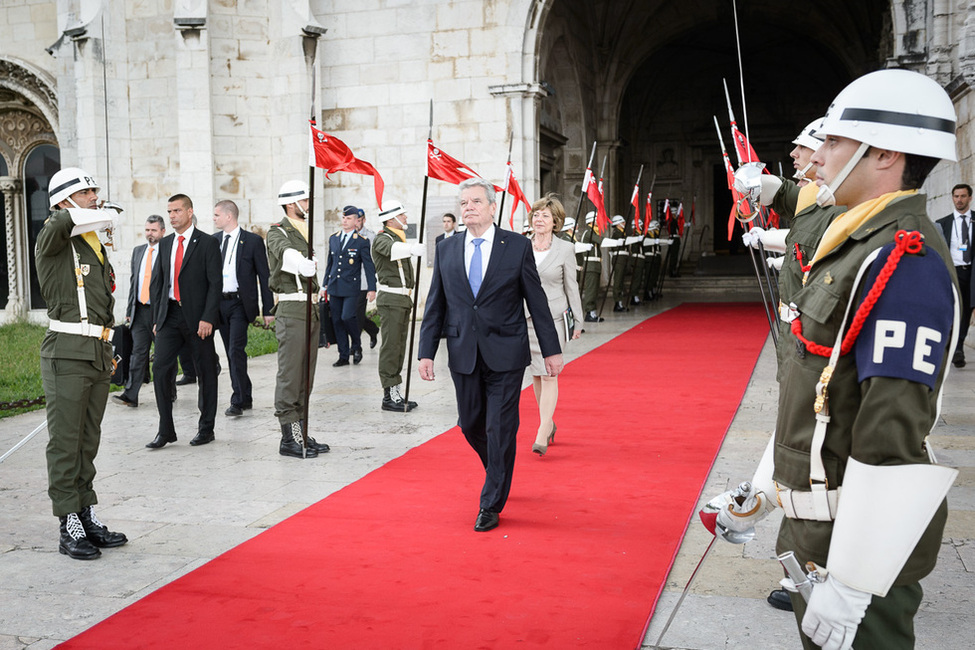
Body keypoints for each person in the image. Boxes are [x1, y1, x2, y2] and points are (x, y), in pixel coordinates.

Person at [705, 69, 961, 650]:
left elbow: (891, 435)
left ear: (886, 153)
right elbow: (820, 392)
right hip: (819, 525)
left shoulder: (902, 257)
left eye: (837, 143)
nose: (819, 158)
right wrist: (765, 489)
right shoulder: (856, 241)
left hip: (856, 543)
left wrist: (855, 578)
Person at [418, 178, 564, 533]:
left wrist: (551, 349)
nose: (468, 207)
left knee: (500, 427)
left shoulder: (515, 246)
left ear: (491, 207)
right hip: (463, 351)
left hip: (506, 352)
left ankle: (491, 502)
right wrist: (425, 352)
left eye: (475, 202)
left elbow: (536, 299)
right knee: (470, 424)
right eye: (463, 202)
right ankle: (498, 468)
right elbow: (436, 302)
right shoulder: (448, 248)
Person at [37, 166, 127, 559]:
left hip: (96, 351)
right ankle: (67, 522)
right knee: (65, 443)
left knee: (87, 441)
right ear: (64, 199)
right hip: (67, 351)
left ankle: (86, 512)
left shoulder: (91, 241)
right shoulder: (53, 236)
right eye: (86, 191)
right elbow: (63, 218)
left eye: (95, 189)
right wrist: (95, 210)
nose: (95, 197)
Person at [145, 194, 222, 449]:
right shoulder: (165, 244)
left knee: (206, 372)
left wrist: (208, 317)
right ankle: (165, 429)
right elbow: (158, 283)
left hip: (198, 319)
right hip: (169, 316)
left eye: (177, 210)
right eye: (169, 211)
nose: (172, 215)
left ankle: (206, 428)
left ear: (190, 212)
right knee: (160, 370)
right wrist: (157, 318)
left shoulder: (208, 243)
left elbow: (215, 285)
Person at [266, 180, 330, 458]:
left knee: (306, 376)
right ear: (292, 204)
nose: (308, 205)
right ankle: (288, 437)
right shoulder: (277, 230)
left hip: (311, 309)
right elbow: (283, 251)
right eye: (305, 201)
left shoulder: (305, 230)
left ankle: (301, 432)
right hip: (292, 310)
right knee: (291, 375)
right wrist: (298, 262)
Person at [524, 195, 583, 455]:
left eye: (545, 215)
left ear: (555, 222)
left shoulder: (565, 249)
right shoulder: (521, 246)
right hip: (525, 319)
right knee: (536, 373)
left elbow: (572, 286)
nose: (539, 219)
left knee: (550, 373)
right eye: (536, 214)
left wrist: (578, 320)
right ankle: (549, 422)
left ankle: (542, 430)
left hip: (554, 319)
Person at [213, 199, 274, 416]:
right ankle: (245, 394)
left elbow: (264, 275)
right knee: (232, 354)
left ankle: (237, 400)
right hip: (219, 304)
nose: (214, 219)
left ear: (229, 216)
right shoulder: (214, 240)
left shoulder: (252, 241)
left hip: (240, 303)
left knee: (235, 350)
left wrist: (268, 310)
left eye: (217, 215)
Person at [371, 201, 424, 411]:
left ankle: (396, 392)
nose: (406, 218)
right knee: (391, 348)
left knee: (399, 348)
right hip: (391, 299)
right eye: (402, 215)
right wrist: (411, 248)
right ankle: (389, 395)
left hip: (402, 300)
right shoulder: (383, 238)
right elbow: (391, 250)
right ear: (391, 219)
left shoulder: (397, 237)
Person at [113, 214, 165, 408]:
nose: (149, 234)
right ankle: (131, 394)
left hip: (159, 312)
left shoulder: (166, 251)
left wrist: (161, 317)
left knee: (162, 356)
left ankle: (169, 392)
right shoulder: (138, 251)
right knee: (137, 353)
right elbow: (134, 282)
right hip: (139, 310)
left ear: (162, 231)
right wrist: (129, 309)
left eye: (153, 230)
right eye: (147, 230)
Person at [324, 205, 376, 366]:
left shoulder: (362, 242)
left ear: (356, 221)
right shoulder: (334, 238)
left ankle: (356, 345)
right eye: (343, 218)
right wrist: (324, 285)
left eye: (349, 218)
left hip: (352, 287)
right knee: (337, 320)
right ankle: (344, 355)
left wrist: (372, 288)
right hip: (335, 286)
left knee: (348, 317)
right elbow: (330, 264)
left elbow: (368, 266)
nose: (345, 221)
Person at [936, 183, 973, 367]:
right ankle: (952, 346)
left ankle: (958, 347)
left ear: (970, 198)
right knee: (951, 310)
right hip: (952, 272)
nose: (959, 200)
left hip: (971, 274)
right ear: (952, 198)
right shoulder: (942, 223)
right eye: (956, 196)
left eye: (963, 196)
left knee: (966, 311)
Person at [353, 207, 380, 351]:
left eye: (359, 220)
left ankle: (355, 347)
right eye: (354, 220)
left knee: (356, 313)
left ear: (363, 220)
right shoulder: (347, 235)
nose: (356, 223)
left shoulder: (370, 237)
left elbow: (372, 261)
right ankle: (372, 329)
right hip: (349, 281)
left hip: (363, 280)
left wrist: (371, 285)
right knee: (351, 314)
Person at [578, 211, 604, 322]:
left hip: (595, 265)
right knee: (591, 290)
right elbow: (601, 241)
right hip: (591, 266)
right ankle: (589, 313)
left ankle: (592, 312)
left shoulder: (593, 232)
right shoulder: (589, 232)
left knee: (595, 290)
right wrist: (615, 242)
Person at [602, 214, 628, 311]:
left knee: (621, 281)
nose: (624, 223)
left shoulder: (622, 232)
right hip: (619, 259)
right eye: (622, 222)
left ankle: (620, 302)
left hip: (623, 258)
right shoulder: (616, 233)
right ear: (618, 224)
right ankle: (618, 302)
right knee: (618, 281)